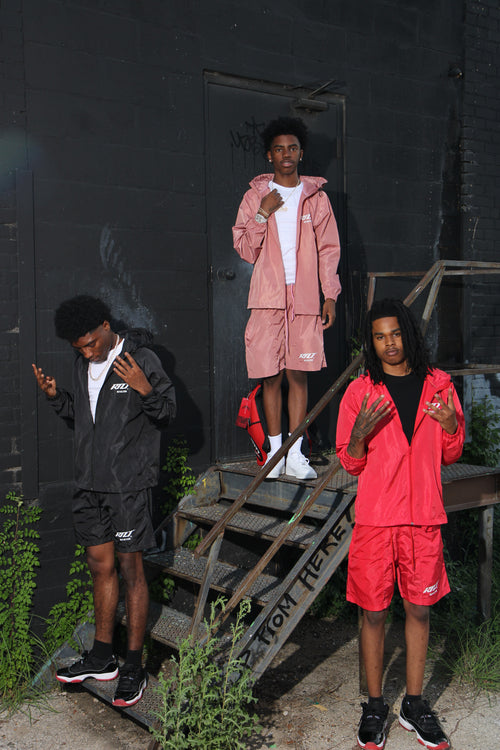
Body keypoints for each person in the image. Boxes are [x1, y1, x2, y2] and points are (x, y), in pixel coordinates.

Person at [32, 295, 176, 708]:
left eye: (91, 343)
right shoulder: (82, 365)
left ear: (106, 326)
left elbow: (167, 413)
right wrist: (58, 398)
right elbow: (86, 419)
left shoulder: (140, 359)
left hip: (127, 486)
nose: (88, 352)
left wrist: (144, 388)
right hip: (89, 486)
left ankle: (133, 665)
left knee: (132, 571)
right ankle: (102, 657)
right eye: (79, 348)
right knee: (100, 567)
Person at [336, 298, 464, 750]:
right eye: (379, 336)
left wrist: (451, 425)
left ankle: (413, 703)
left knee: (419, 609)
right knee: (373, 613)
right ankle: (374, 705)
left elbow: (451, 453)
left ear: (407, 334)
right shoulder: (361, 392)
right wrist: (358, 435)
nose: (389, 343)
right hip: (376, 520)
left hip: (423, 517)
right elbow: (350, 462)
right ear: (371, 343)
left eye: (394, 333)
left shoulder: (439, 385)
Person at [232, 116, 341, 480]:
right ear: (269, 155)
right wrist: (262, 213)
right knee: (270, 376)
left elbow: (329, 249)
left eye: (292, 148)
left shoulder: (317, 198)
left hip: (306, 299)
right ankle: (275, 454)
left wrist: (330, 295)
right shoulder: (255, 196)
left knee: (298, 375)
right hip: (267, 299)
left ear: (301, 152)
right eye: (279, 149)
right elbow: (245, 249)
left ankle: (295, 454)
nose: (286, 155)